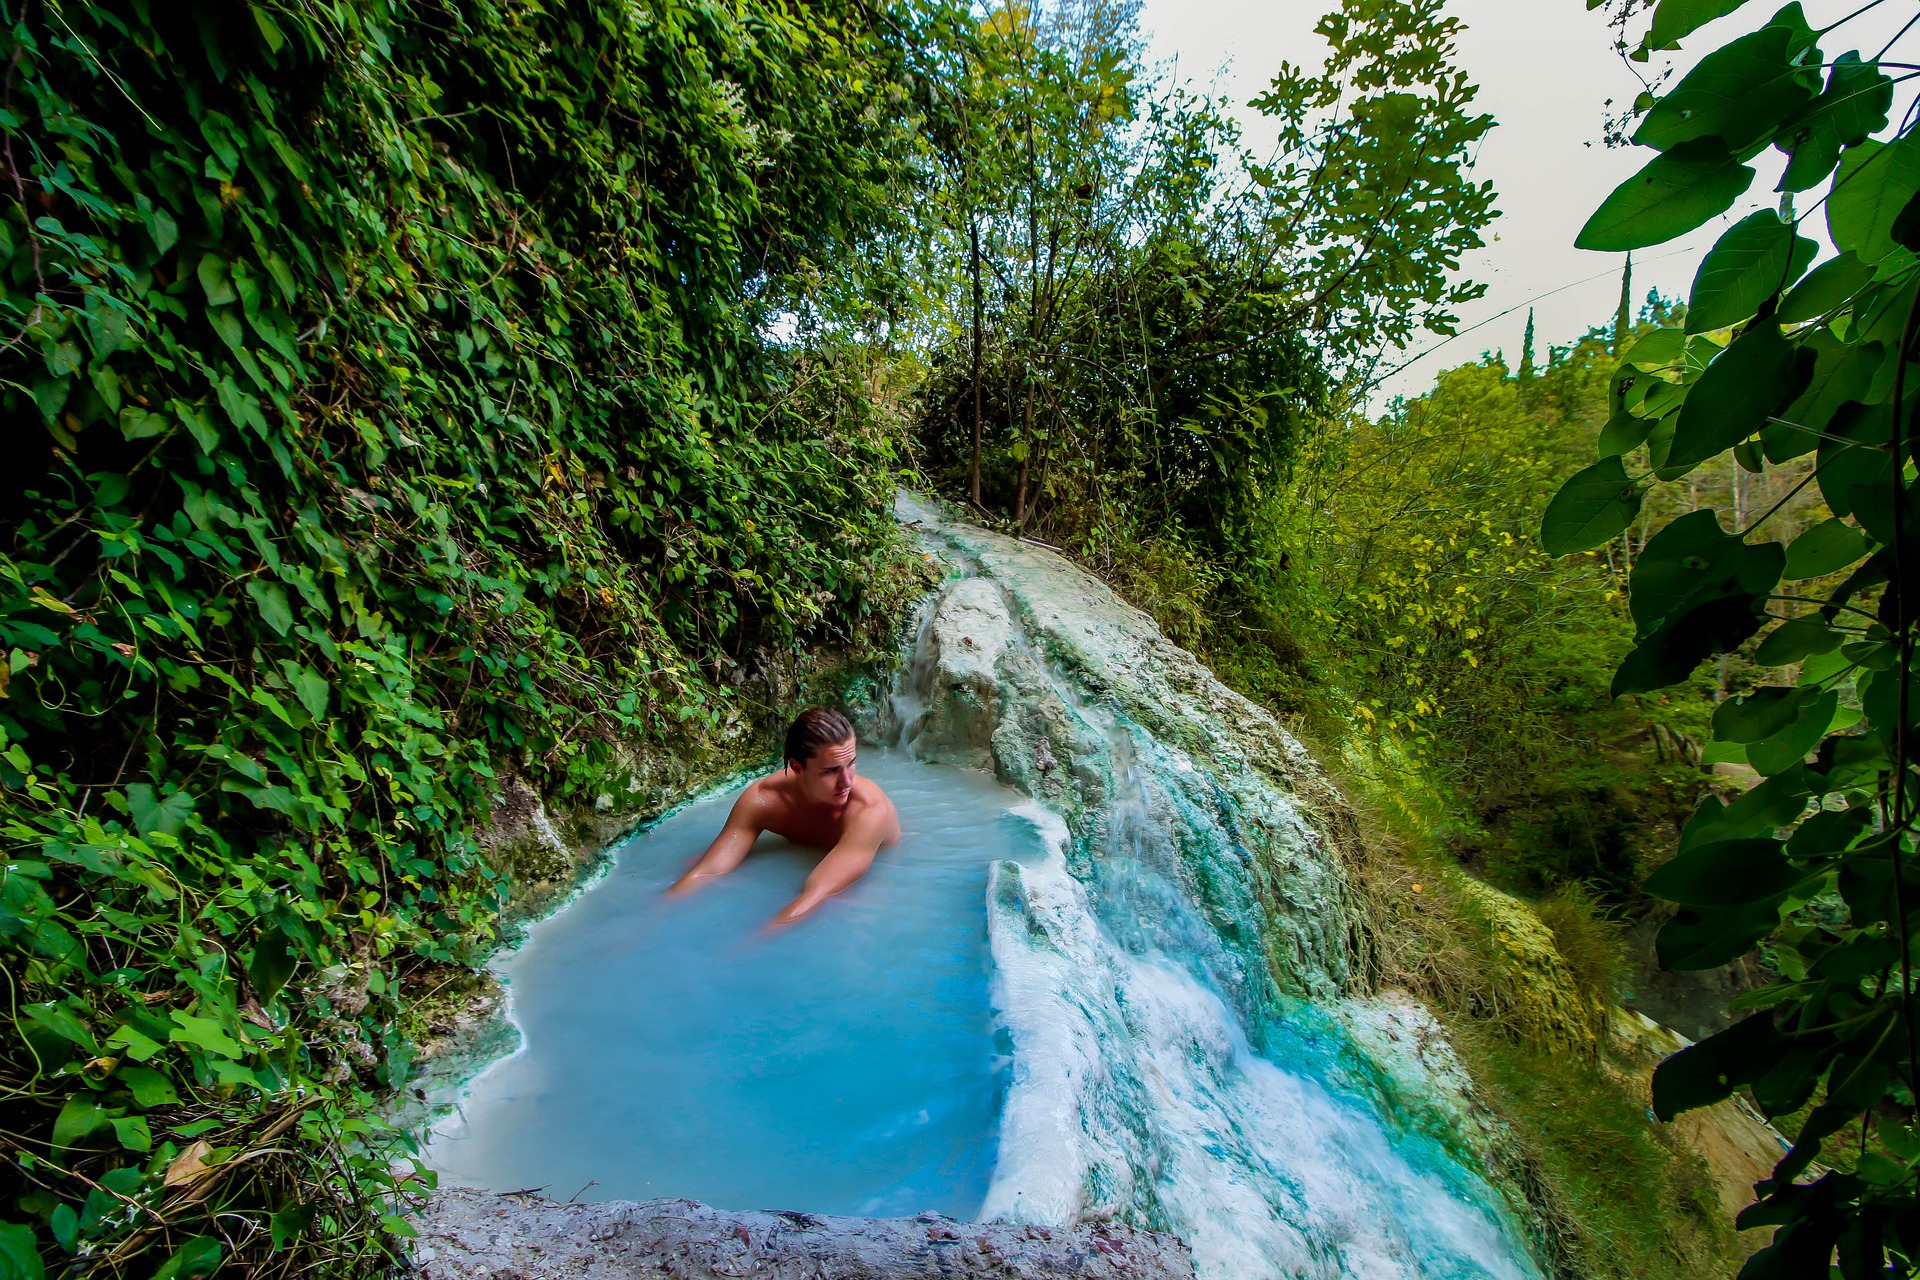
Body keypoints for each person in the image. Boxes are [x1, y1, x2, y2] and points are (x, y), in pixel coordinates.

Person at [668, 707, 900, 925]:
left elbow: (815, 895)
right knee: (690, 863)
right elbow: (709, 870)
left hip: (883, 866)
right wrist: (651, 918)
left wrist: (738, 954)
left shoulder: (869, 809)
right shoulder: (764, 799)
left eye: (851, 764)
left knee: (857, 907)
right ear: (797, 768)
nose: (847, 781)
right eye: (830, 771)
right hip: (823, 856)